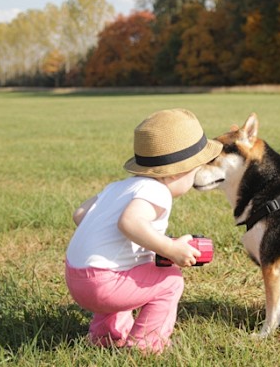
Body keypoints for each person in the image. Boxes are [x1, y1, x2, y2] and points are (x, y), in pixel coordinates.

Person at [65, 108, 222, 354]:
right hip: (103, 285)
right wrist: (170, 248)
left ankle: (106, 336)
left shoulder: (117, 187)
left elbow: (80, 215)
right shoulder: (157, 191)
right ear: (178, 172)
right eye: (194, 172)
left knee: (129, 271)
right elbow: (130, 223)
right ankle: (145, 346)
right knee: (170, 282)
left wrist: (122, 244)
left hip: (76, 278)